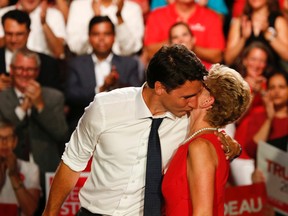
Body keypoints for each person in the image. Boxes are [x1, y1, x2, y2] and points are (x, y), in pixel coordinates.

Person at [42, 44, 241, 216]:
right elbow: (72, 162)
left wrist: (227, 140)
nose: (194, 102)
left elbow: (206, 133)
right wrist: (50, 212)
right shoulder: (105, 107)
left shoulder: (187, 118)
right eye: (186, 96)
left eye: (197, 94)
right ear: (160, 88)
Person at [162, 64, 251, 215]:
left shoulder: (201, 146)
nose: (195, 84)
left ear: (207, 101)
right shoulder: (204, 141)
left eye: (202, 84)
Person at [0, 48, 68, 213]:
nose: (24, 73)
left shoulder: (54, 97)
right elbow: (8, 130)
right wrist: (24, 107)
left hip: (46, 171)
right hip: (9, 170)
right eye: (20, 68)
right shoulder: (2, 97)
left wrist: (40, 105)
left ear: (37, 71)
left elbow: (61, 134)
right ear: (11, 69)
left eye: (30, 69)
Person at [65, 15, 143, 135]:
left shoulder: (129, 64)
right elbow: (71, 95)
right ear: (89, 37)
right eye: (96, 34)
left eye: (106, 34)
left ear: (114, 37)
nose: (101, 39)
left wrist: (117, 85)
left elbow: (138, 95)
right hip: (84, 126)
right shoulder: (76, 64)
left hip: (121, 127)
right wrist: (100, 89)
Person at [230, 41, 275, 186]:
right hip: (243, 152)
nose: (257, 64)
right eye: (253, 59)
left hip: (266, 151)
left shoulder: (270, 84)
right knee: (251, 197)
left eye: (262, 60)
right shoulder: (236, 84)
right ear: (244, 60)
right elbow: (235, 118)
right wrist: (253, 94)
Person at [143, 0, 225, 69]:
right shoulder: (157, 15)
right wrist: (173, 44)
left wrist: (192, 47)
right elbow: (150, 52)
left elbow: (217, 56)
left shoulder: (211, 17)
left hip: (203, 78)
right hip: (167, 76)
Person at [0, 9, 63, 92]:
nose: (13, 39)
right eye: (9, 34)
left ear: (29, 33)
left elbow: (54, 98)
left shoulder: (48, 64)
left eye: (19, 34)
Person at [66, 0, 144, 56]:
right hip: (86, 66)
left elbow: (129, 49)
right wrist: (96, 18)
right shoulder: (78, 6)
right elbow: (76, 48)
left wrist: (119, 16)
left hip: (122, 66)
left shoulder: (132, 8)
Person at [225, 0, 288, 67]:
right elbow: (228, 59)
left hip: (270, 73)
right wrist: (243, 39)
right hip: (243, 72)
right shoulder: (240, 22)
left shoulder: (278, 21)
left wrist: (269, 36)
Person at [0, 120, 41, 216]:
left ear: (15, 141)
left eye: (8, 138)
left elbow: (31, 211)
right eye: (0, 138)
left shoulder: (31, 169)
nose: (4, 142)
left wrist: (13, 174)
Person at [0, 0, 66, 59]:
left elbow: (60, 53)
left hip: (43, 66)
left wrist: (44, 23)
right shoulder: (2, 13)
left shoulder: (54, 15)